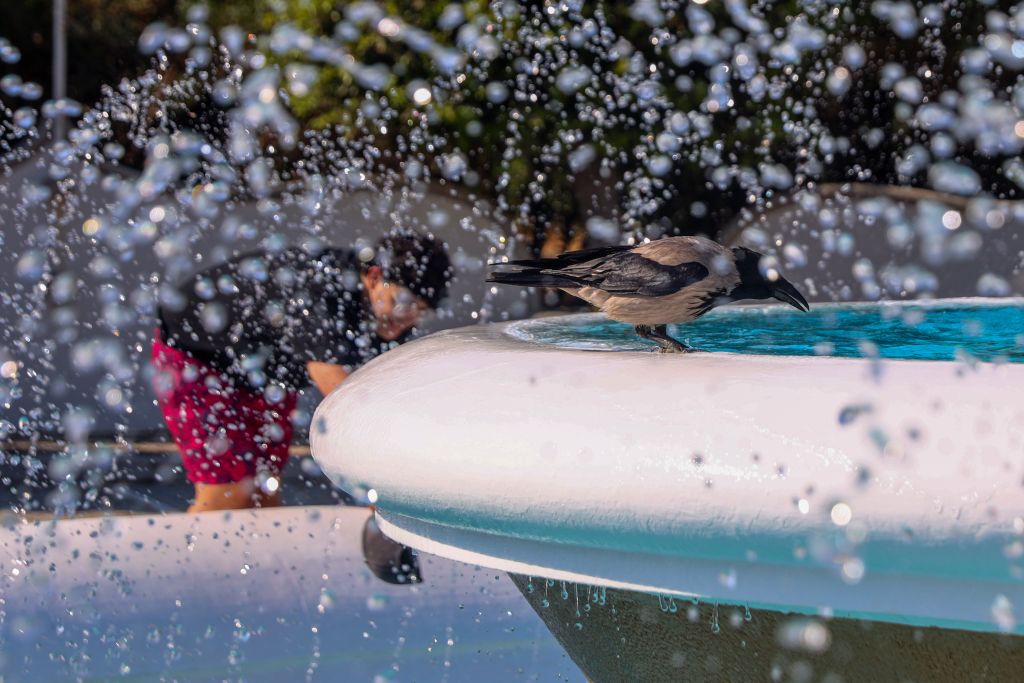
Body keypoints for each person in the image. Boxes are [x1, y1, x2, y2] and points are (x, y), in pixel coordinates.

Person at [152, 231, 451, 513]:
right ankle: (191, 564)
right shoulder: (325, 290)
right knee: (228, 495)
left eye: (420, 311)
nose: (407, 318)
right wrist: (378, 481)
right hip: (198, 360)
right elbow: (341, 396)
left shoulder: (392, 317)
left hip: (263, 376)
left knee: (263, 492)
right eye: (404, 303)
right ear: (375, 277)